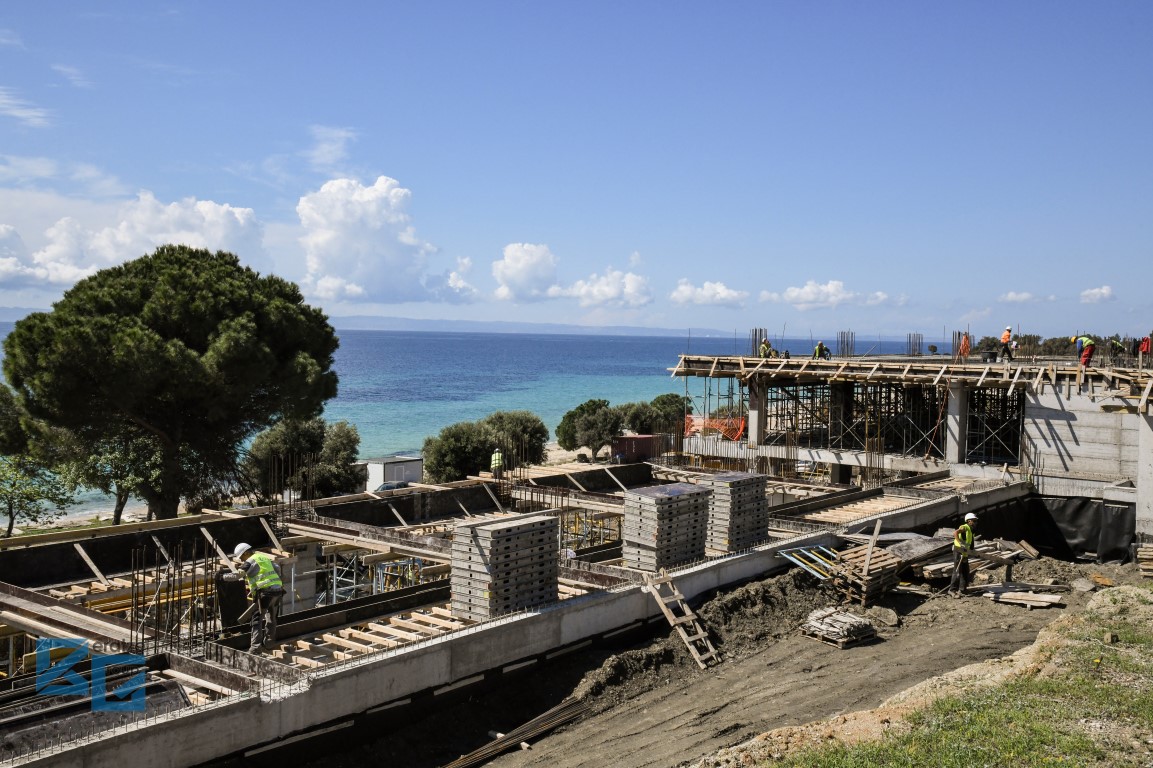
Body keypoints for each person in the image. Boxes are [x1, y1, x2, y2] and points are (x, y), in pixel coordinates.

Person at [222, 543, 284, 653]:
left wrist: (222, 577)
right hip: (278, 590)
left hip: (265, 592)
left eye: (241, 556)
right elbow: (277, 568)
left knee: (256, 620)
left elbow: (237, 575)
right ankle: (269, 643)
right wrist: (275, 581)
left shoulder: (250, 561)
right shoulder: (263, 557)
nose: (241, 559)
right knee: (272, 618)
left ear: (246, 552)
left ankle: (255, 648)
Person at [948, 513, 978, 597]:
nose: (976, 522)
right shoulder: (965, 527)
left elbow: (970, 542)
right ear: (969, 521)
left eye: (976, 521)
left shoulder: (971, 530)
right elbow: (955, 533)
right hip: (959, 551)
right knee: (957, 570)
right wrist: (960, 543)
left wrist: (972, 550)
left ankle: (962, 589)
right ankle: (952, 590)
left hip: (965, 553)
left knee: (965, 571)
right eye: (974, 521)